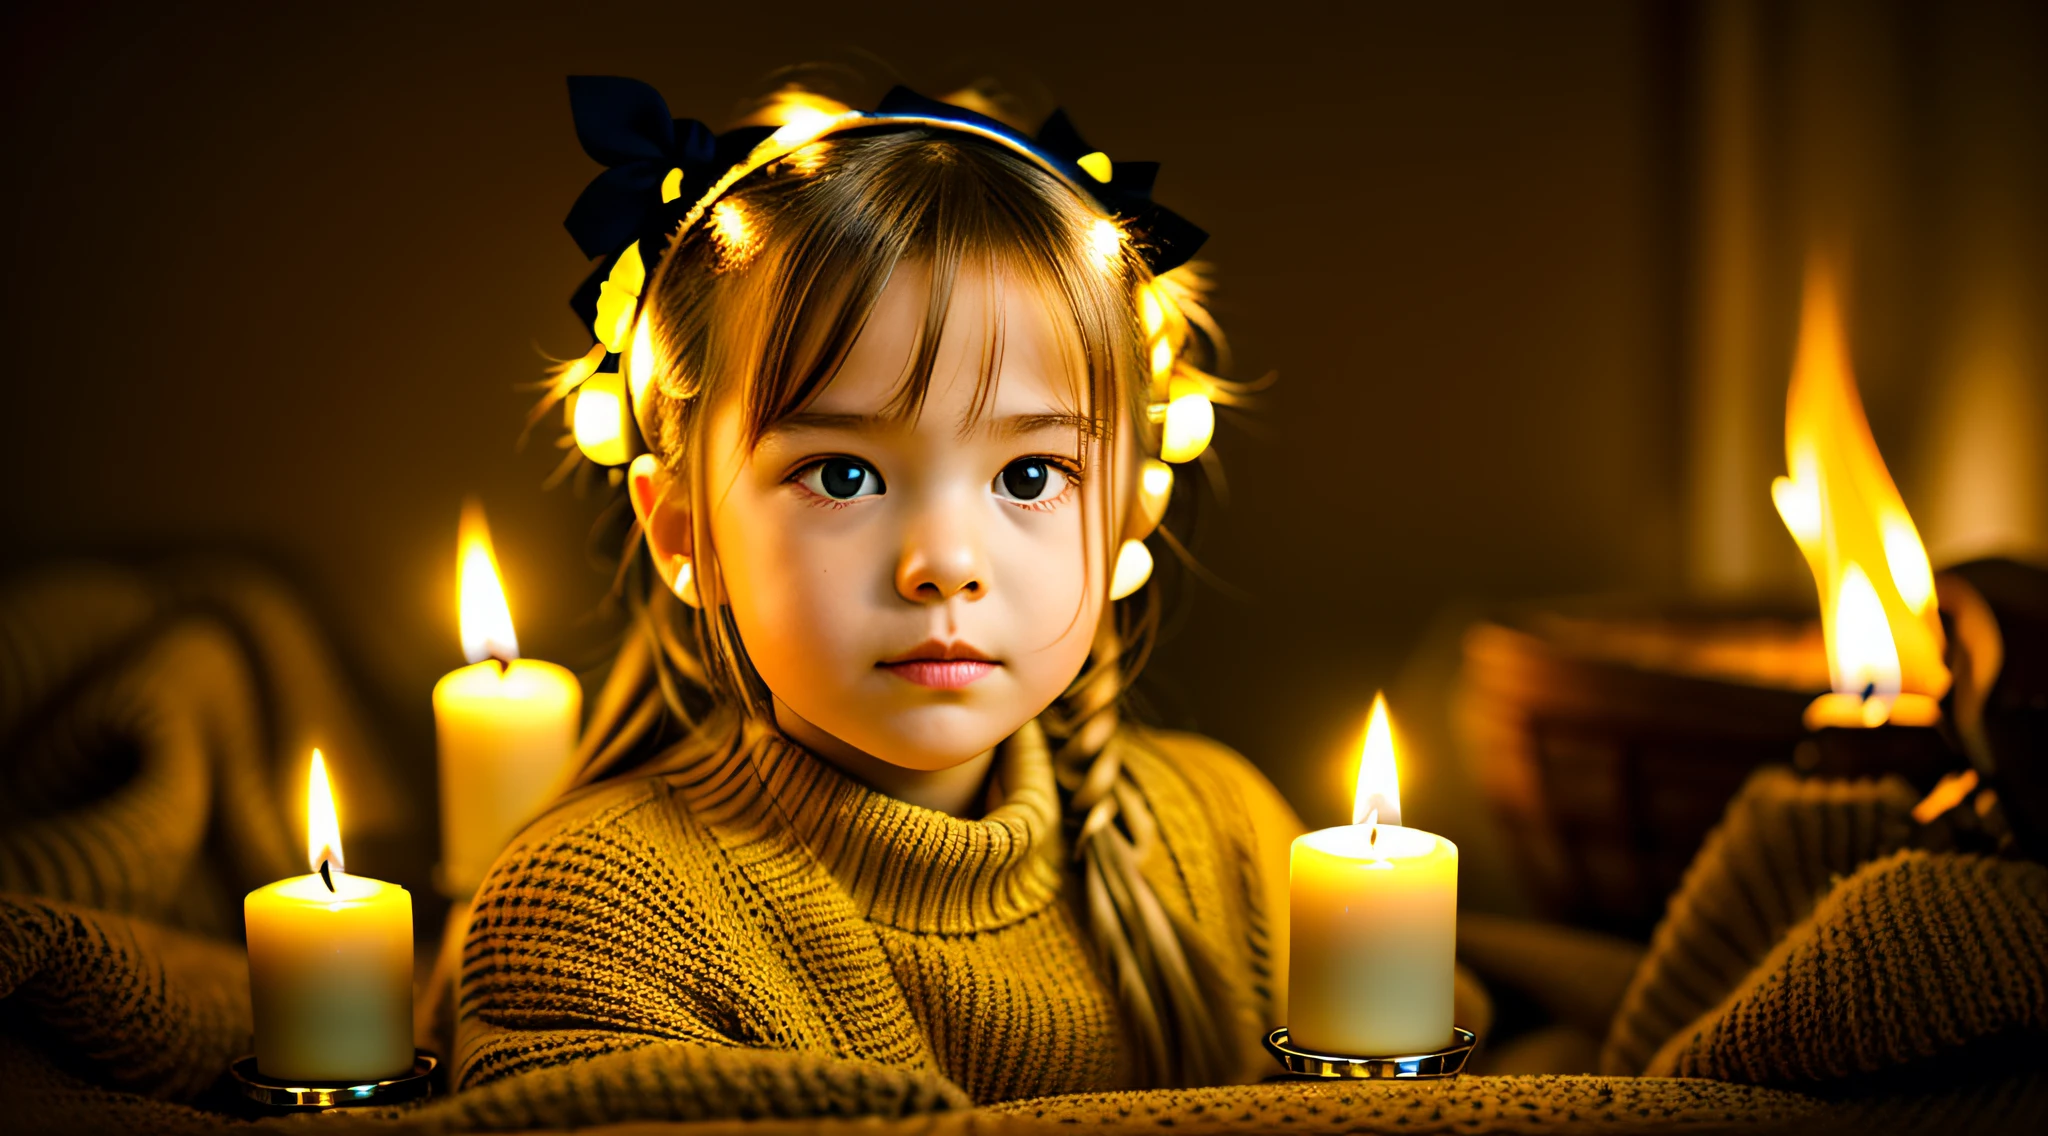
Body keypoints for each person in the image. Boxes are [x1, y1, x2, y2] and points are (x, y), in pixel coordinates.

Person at [454, 75, 1303, 1120]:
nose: (941, 563)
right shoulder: (598, 910)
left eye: (1029, 474)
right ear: (680, 527)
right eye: (844, 474)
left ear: (1130, 510)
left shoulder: (1225, 835)